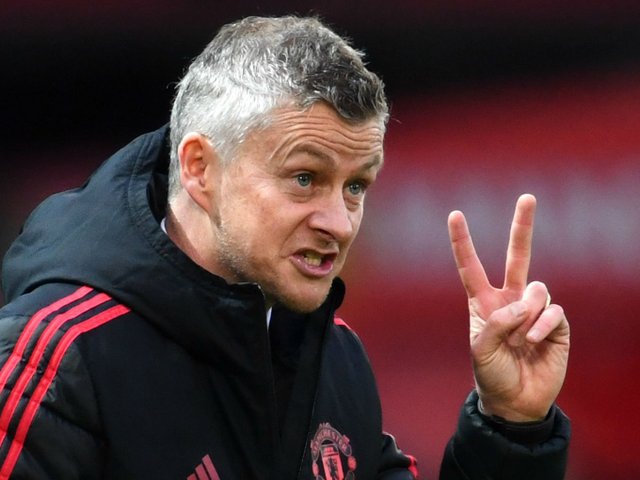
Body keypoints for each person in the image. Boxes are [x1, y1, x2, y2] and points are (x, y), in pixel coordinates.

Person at [0, 15, 570, 479]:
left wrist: (511, 424)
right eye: (305, 178)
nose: (340, 223)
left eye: (356, 186)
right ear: (200, 169)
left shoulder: (334, 355)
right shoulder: (55, 356)